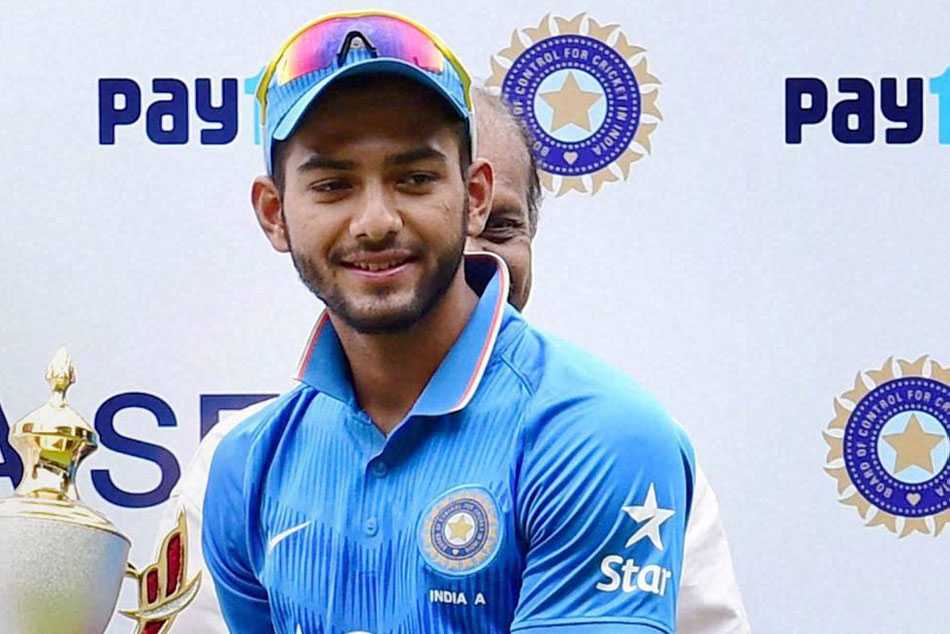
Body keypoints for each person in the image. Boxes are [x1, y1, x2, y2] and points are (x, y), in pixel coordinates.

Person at [155, 12, 745, 632]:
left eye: (414, 179)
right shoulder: (247, 464)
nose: (375, 222)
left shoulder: (598, 434)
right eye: (333, 185)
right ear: (274, 213)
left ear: (476, 197)